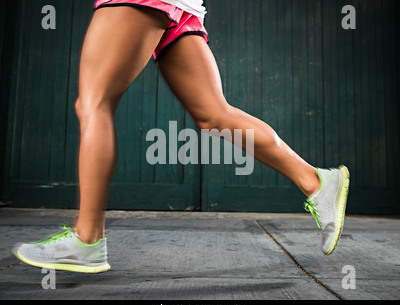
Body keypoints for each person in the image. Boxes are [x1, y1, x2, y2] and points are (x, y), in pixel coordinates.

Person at [14, 0, 350, 273]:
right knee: (214, 115)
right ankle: (317, 181)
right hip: (181, 6)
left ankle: (86, 239)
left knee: (93, 105)